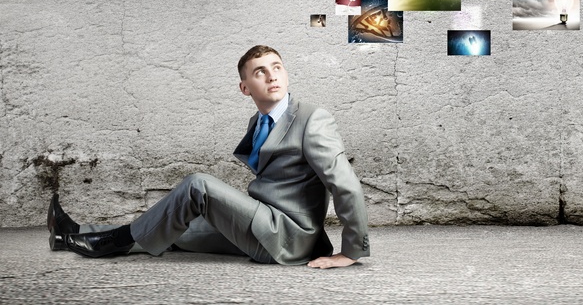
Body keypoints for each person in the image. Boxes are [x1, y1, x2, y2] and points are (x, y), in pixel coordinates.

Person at [48, 45, 370, 269]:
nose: (272, 76)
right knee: (173, 227)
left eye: (277, 68)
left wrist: (352, 252)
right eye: (260, 72)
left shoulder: (313, 118)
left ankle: (107, 244)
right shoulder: (258, 123)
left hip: (288, 236)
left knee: (197, 185)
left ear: (286, 75)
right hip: (260, 222)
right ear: (245, 88)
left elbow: (346, 185)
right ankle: (73, 233)